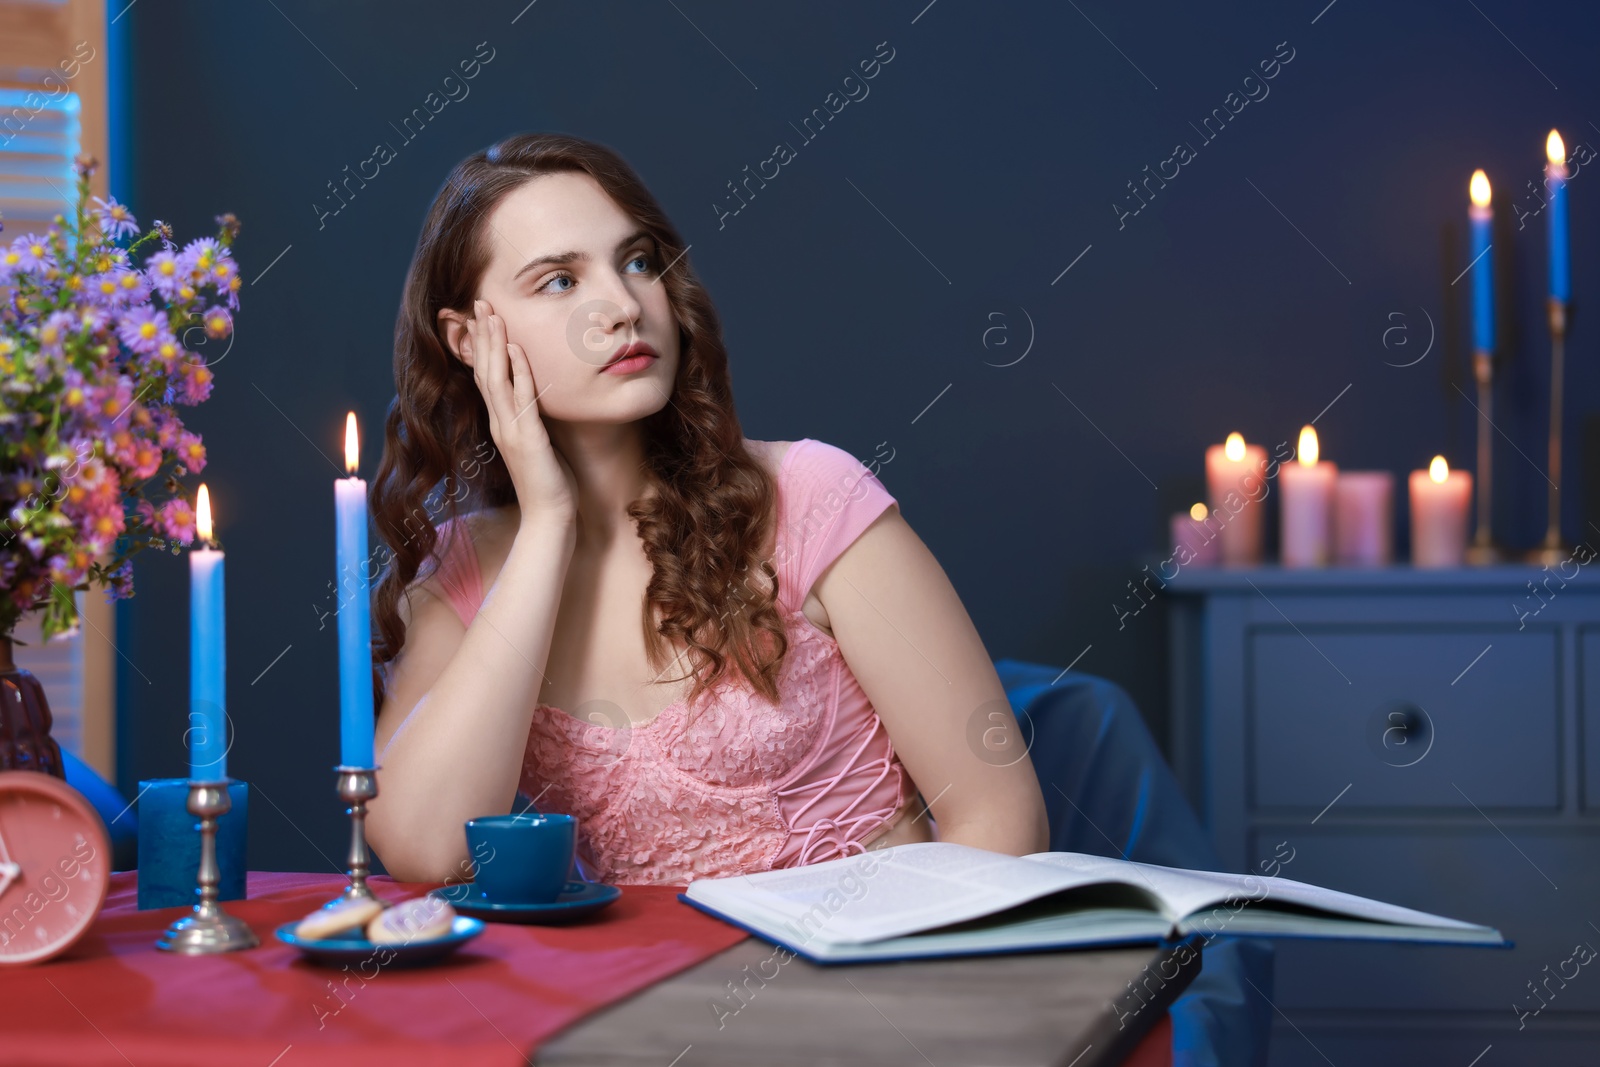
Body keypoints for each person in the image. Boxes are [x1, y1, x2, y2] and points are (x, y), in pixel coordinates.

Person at [364, 132, 1048, 884]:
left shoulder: (812, 497)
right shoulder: (463, 569)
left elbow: (1003, 823)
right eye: (559, 281)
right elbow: (427, 852)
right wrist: (548, 522)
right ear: (468, 338)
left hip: (874, 977)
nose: (623, 306)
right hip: (644, 997)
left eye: (637, 261)